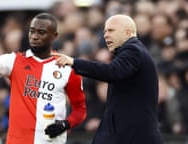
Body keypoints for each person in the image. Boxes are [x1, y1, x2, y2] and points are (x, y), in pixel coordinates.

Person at [0, 13, 86, 144]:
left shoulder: (67, 68)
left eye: (41, 32)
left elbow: (80, 109)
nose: (34, 36)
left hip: (50, 141)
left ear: (54, 36)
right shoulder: (15, 61)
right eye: (32, 31)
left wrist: (65, 124)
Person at [54, 14, 164, 144]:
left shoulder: (133, 50)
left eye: (111, 30)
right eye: (105, 31)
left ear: (127, 33)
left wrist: (73, 62)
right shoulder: (133, 52)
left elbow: (112, 71)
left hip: (133, 135)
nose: (105, 35)